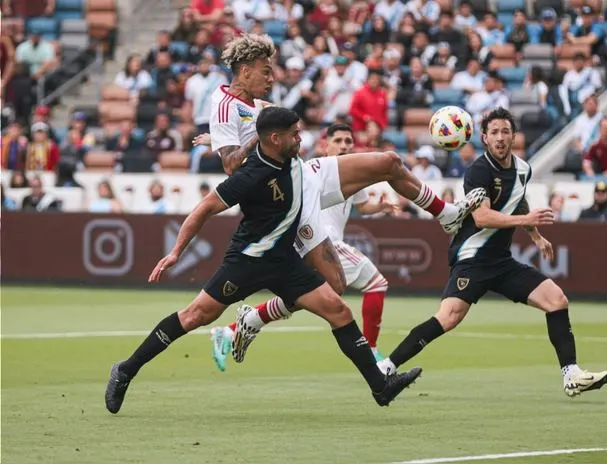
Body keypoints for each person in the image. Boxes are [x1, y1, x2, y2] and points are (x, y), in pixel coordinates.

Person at [105, 107, 423, 415]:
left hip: (284, 261)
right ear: (274, 138)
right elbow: (204, 208)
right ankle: (126, 369)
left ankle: (380, 386)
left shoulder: (293, 162)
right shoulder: (252, 175)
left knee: (338, 310)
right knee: (194, 317)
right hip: (247, 261)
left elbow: (256, 121)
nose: (301, 139)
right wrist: (176, 252)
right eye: (294, 134)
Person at [198, 33, 485, 363]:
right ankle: (248, 321)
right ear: (245, 70)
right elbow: (232, 165)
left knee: (389, 161)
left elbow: (266, 134)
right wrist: (256, 136)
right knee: (332, 286)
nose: (272, 77)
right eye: (266, 70)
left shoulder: (258, 104)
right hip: (286, 202)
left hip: (306, 175)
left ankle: (446, 213)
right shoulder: (224, 105)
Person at [375, 108, 607, 397]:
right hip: (473, 257)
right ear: (484, 138)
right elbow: (482, 218)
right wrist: (527, 222)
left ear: (513, 136)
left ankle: (571, 374)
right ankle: (387, 367)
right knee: (449, 317)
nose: (500, 138)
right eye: (494, 133)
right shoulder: (478, 171)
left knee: (557, 300)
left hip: (501, 261)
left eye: (505, 131)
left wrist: (536, 236)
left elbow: (517, 200)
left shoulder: (523, 169)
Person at [208, 124, 398, 369]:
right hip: (321, 243)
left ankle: (237, 327)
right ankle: (371, 352)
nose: (344, 146)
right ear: (324, 145)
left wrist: (379, 207)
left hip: (321, 245)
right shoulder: (313, 171)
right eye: (338, 141)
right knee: (375, 283)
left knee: (306, 296)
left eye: (348, 141)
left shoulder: (351, 174)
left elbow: (361, 206)